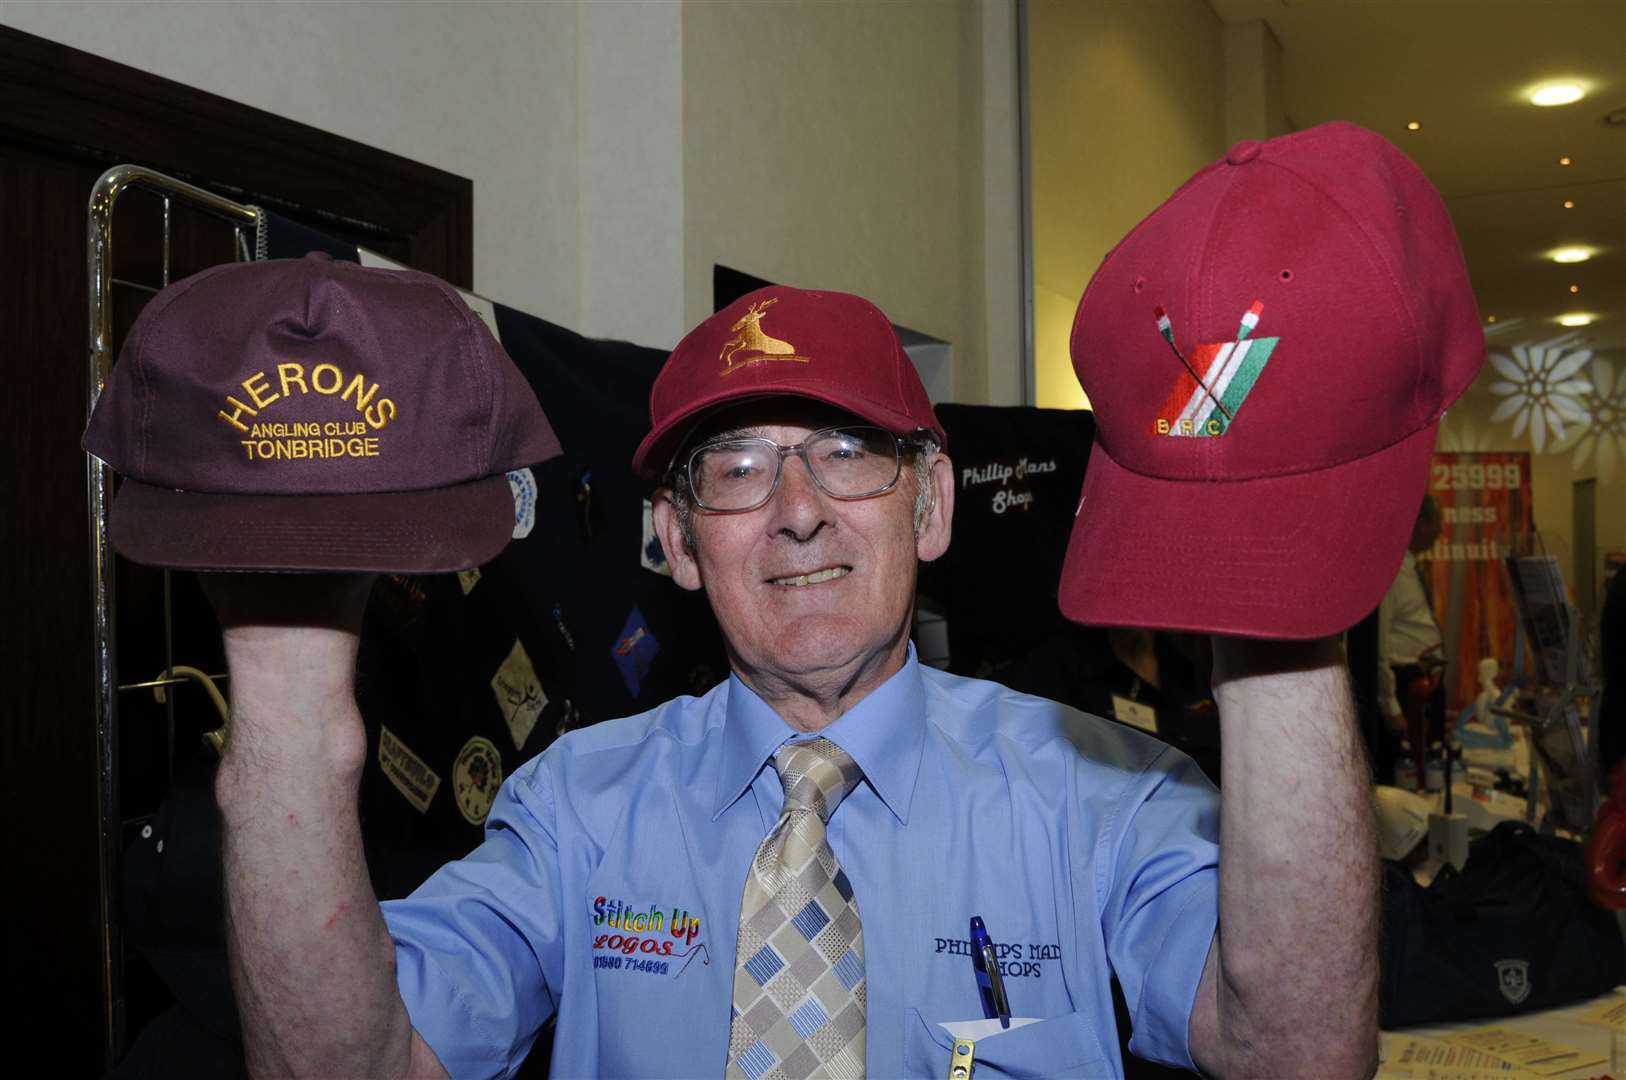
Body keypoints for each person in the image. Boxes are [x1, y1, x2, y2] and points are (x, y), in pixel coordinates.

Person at [209, 121, 1484, 1079]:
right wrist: (285, 680)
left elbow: (1299, 1053)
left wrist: (1278, 617)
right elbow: (345, 1063)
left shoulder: (1104, 798)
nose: (800, 507)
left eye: (848, 453)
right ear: (675, 542)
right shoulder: (575, 814)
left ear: (931, 510)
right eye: (739, 469)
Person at [1377, 494, 1447, 758]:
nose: (1440, 531)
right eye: (1436, 522)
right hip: (1406, 689)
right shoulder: (1392, 572)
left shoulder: (1411, 568)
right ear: (1419, 523)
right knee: (1409, 773)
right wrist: (1390, 706)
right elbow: (1380, 646)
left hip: (1425, 681)